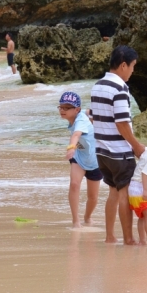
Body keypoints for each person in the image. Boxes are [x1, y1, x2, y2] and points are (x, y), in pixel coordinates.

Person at [91, 45, 143, 245]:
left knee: (113, 191)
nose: (132, 71)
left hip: (102, 151)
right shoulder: (120, 88)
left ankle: (110, 236)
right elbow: (121, 122)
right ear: (123, 65)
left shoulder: (98, 85)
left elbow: (95, 117)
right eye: (132, 66)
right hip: (119, 152)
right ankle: (128, 239)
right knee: (125, 193)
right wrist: (136, 146)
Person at [59, 91, 102, 229]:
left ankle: (87, 217)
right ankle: (75, 221)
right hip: (78, 156)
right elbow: (89, 110)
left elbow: (77, 134)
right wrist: (73, 149)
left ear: (76, 110)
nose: (62, 110)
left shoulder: (81, 121)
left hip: (95, 160)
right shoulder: (80, 113)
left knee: (93, 196)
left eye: (67, 107)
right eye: (61, 107)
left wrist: (71, 147)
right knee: (74, 185)